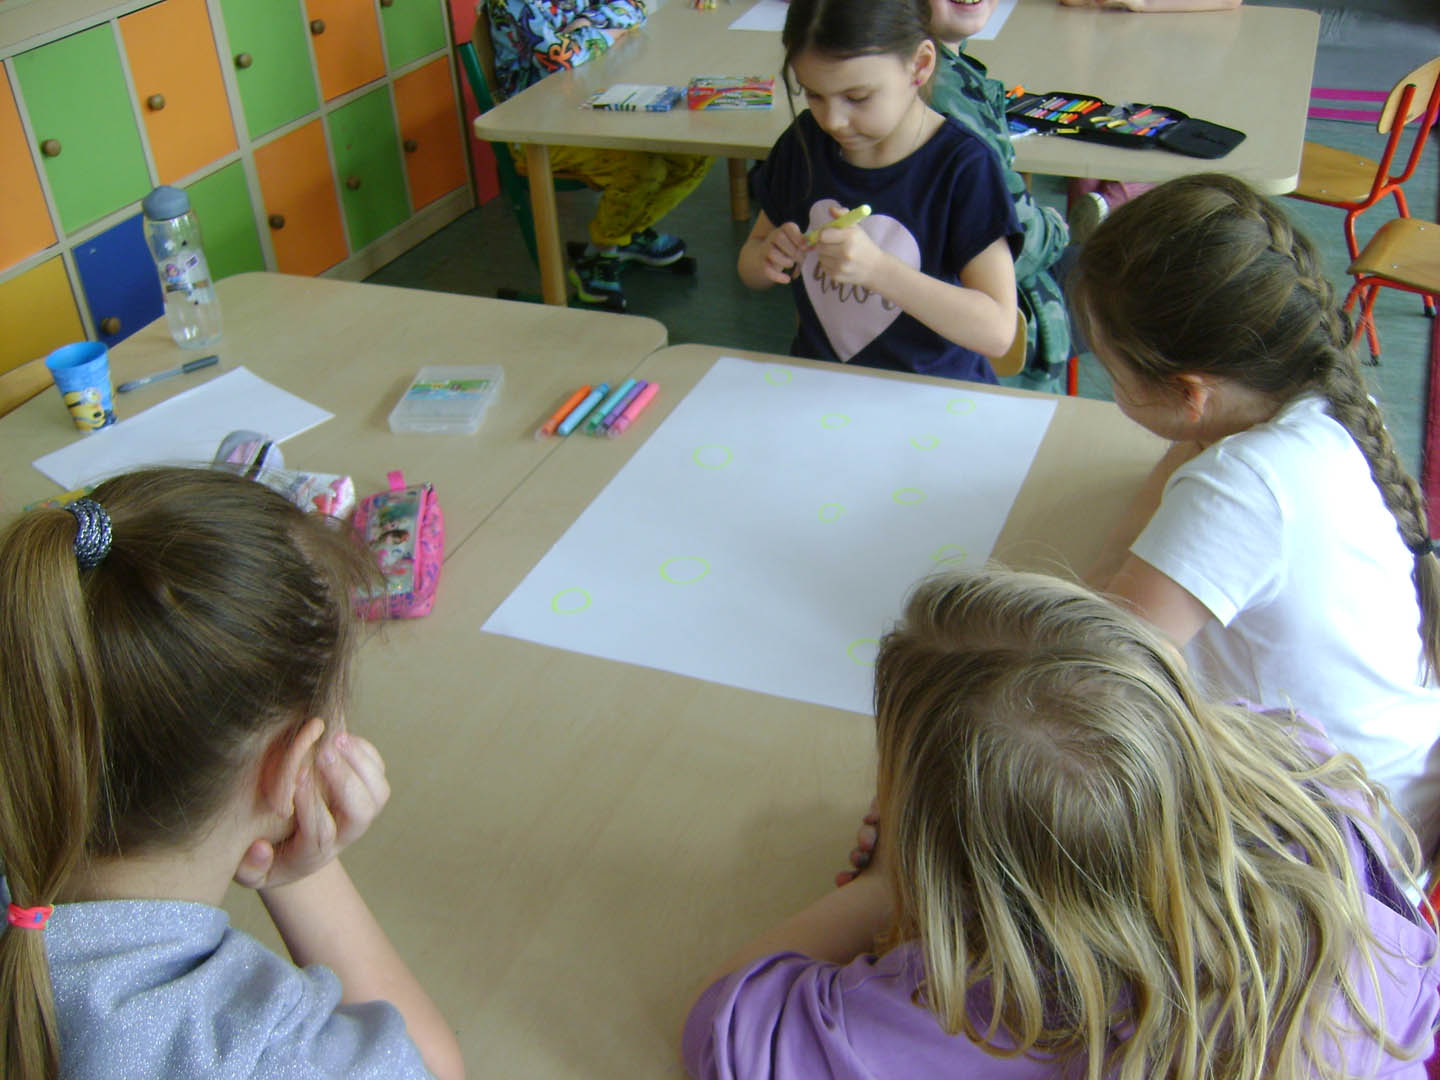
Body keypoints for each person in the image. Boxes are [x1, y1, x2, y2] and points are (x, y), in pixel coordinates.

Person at [683, 568, 1440, 1079]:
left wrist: (885, 884)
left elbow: (729, 1021)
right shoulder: (1299, 770)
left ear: (970, 880)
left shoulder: (998, 1004)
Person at [0, 468, 464, 1080]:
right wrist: (301, 869)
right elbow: (430, 1067)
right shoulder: (255, 1054)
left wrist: (269, 810)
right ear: (291, 769)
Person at [1074, 173, 1440, 854]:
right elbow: (1186, 454)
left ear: (1190, 394)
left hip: (1340, 850)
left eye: (1111, 372)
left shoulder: (1241, 488)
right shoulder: (1317, 397)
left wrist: (1105, 569)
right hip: (1396, 785)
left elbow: (1097, 670)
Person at [739, 0, 1021, 384]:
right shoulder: (803, 144)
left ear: (920, 65)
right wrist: (767, 257)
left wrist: (878, 271)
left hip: (934, 395)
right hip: (824, 389)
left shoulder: (963, 167)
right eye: (814, 95)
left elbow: (998, 331)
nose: (833, 121)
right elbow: (750, 266)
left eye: (857, 97)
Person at [487, 0, 712, 309]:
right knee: (642, 167)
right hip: (538, 128)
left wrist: (583, 24)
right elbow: (560, 56)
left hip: (593, 102)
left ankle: (626, 233)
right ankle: (604, 251)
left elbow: (635, 6)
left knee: (695, 152)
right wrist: (611, 31)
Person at [926, 0, 1072, 393]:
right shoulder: (941, 91)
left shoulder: (937, 69)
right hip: (982, 329)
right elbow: (1013, 238)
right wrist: (1055, 229)